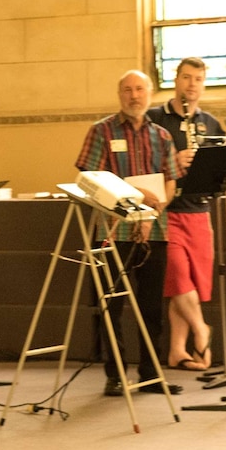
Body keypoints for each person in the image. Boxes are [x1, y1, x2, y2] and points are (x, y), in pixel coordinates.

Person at [76, 69, 182, 396]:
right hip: (113, 230)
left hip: (155, 230)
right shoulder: (101, 131)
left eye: (139, 89)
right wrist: (132, 206)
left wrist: (152, 212)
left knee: (151, 307)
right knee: (112, 306)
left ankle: (151, 372)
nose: (134, 95)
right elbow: (90, 179)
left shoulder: (162, 136)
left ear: (149, 94)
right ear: (119, 94)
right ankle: (116, 374)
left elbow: (171, 181)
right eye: (127, 90)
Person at [146, 57, 223, 371]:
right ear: (175, 80)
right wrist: (174, 159)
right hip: (166, 211)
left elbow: (223, 165)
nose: (192, 85)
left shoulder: (210, 122)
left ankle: (177, 350)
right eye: (187, 78)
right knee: (177, 277)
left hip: (199, 211)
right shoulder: (154, 118)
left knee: (189, 283)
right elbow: (142, 161)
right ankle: (202, 329)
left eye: (198, 80)